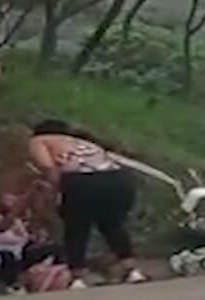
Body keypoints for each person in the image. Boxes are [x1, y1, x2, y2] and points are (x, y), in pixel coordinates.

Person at [26, 118, 147, 288]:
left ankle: (78, 277)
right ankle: (132, 270)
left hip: (81, 180)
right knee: (112, 225)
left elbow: (48, 167)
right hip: (119, 179)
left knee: (76, 228)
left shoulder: (39, 140)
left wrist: (56, 194)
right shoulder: (83, 141)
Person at [0, 193, 61, 293]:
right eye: (8, 200)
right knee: (6, 255)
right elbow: (4, 226)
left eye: (13, 199)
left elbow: (27, 238)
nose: (13, 202)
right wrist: (19, 205)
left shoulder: (16, 221)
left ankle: (60, 276)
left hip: (16, 258)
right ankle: (13, 286)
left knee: (53, 248)